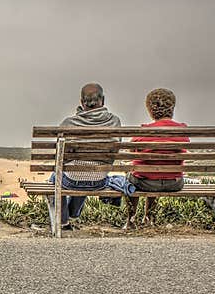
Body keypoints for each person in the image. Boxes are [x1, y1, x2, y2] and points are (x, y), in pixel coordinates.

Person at [45, 83, 122, 230]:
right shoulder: (114, 122)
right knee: (87, 171)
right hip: (99, 181)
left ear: (82, 102)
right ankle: (74, 213)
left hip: (72, 181)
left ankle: (63, 222)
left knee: (56, 178)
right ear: (103, 100)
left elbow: (59, 157)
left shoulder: (69, 123)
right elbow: (115, 152)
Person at [125, 88, 188, 228]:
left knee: (133, 177)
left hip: (146, 183)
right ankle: (149, 217)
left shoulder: (144, 131)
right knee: (157, 172)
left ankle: (131, 219)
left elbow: (131, 150)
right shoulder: (182, 130)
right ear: (172, 108)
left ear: (150, 110)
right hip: (174, 183)